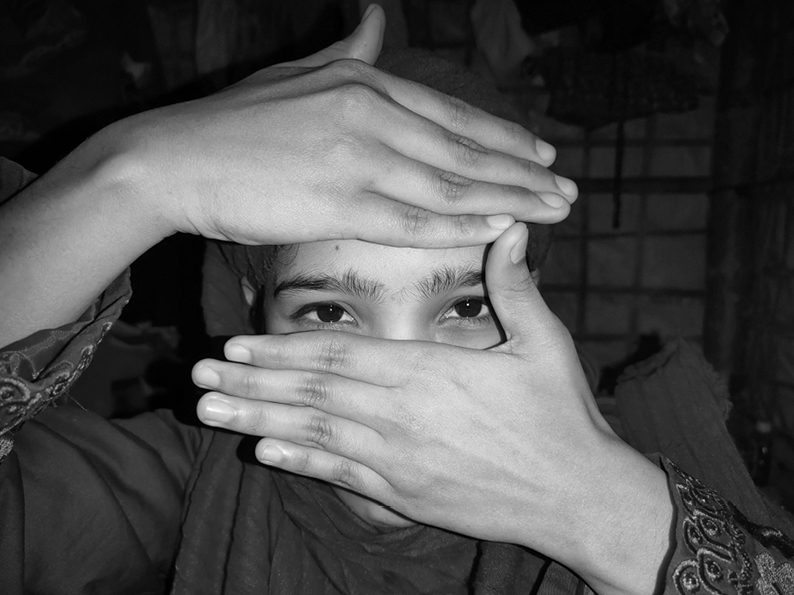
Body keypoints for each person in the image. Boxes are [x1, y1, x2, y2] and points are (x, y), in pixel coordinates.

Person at [0, 6, 791, 595]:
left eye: (465, 308)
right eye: (330, 313)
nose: (408, 395)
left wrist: (604, 513)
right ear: (253, 316)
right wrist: (134, 175)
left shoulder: (648, 482)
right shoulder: (188, 482)